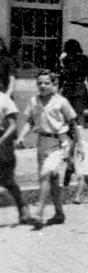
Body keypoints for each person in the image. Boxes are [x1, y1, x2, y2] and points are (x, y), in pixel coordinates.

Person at [17, 70, 78, 228]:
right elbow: (30, 122)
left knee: (45, 174)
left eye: (47, 83)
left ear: (54, 85)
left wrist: (79, 145)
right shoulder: (33, 101)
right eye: (40, 83)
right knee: (52, 179)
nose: (43, 86)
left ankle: (39, 211)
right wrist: (21, 136)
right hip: (42, 142)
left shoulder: (61, 102)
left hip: (59, 142)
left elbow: (73, 123)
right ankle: (59, 213)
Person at [0, 84, 32, 225]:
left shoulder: (4, 100)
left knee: (7, 180)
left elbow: (13, 125)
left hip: (3, 142)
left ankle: (22, 206)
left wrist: (1, 140)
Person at [58, 39, 88, 121]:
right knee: (67, 115)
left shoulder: (83, 59)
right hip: (69, 90)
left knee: (79, 115)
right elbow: (62, 77)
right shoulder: (65, 60)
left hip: (78, 90)